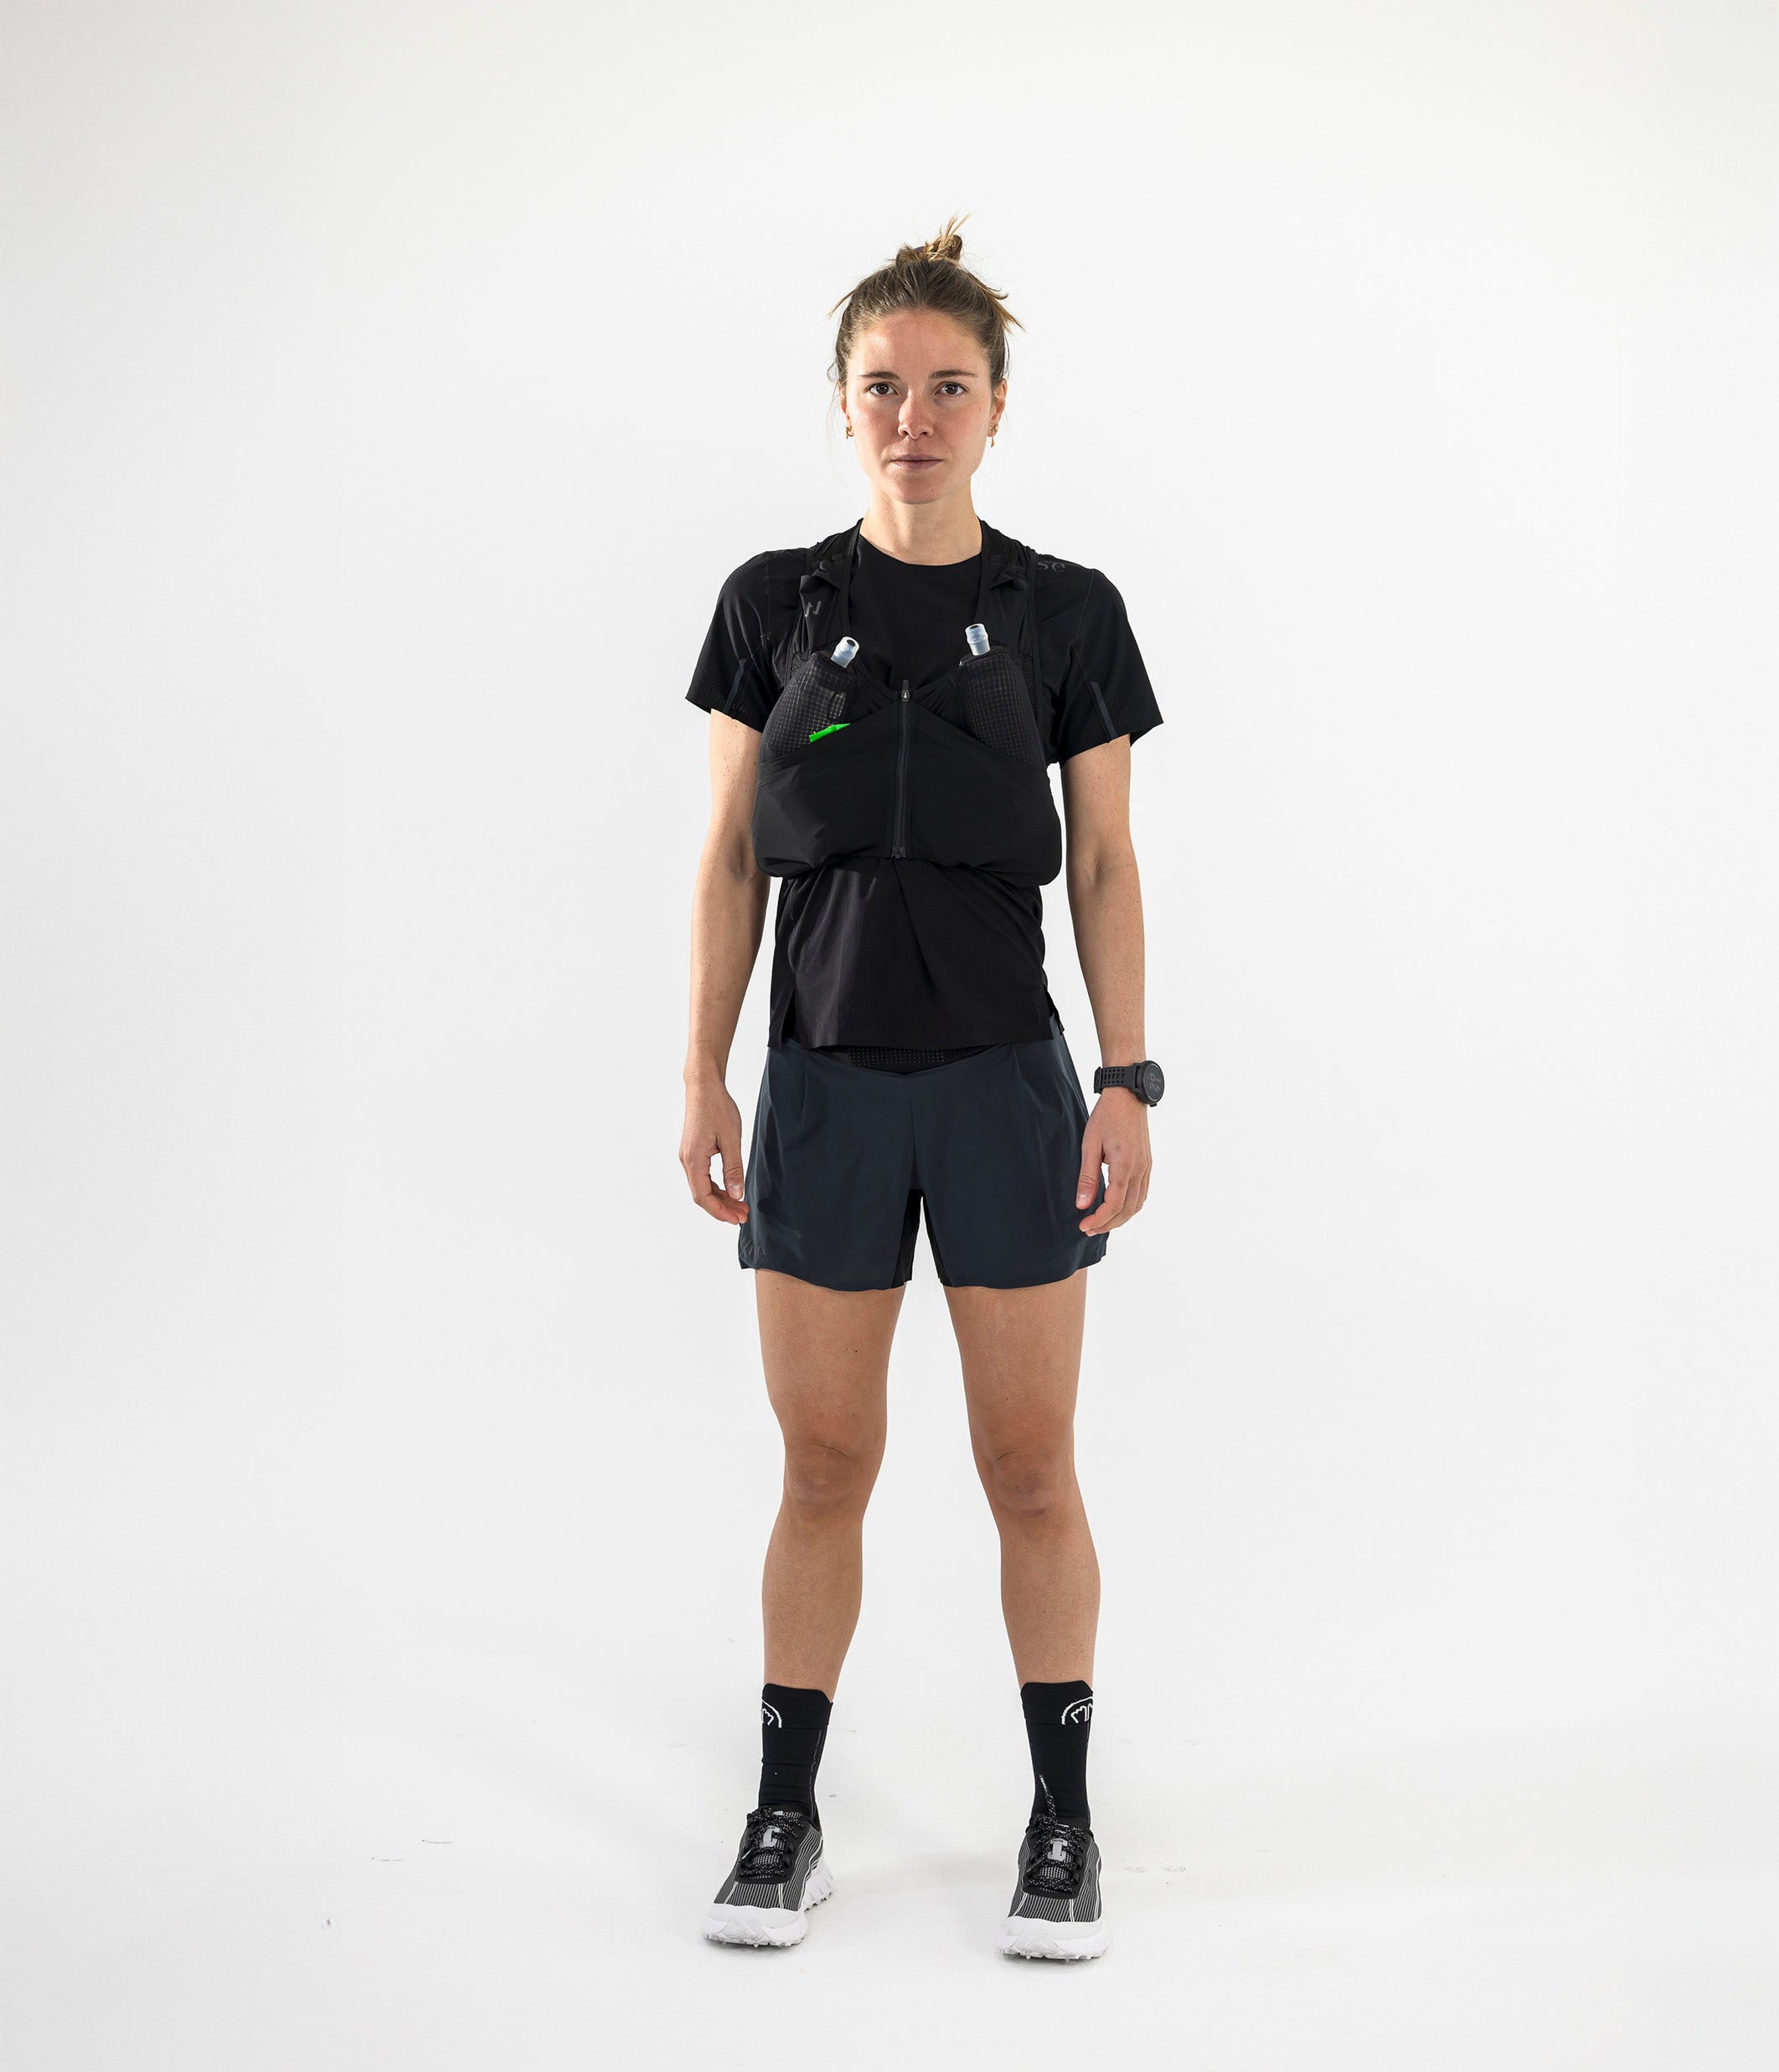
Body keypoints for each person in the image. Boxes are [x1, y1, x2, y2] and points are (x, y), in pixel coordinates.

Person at [678, 219, 1165, 1961]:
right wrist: (704, 1073)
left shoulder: (1066, 613)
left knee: (1030, 1467)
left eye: (950, 387)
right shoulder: (771, 605)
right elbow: (732, 857)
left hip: (1003, 1091)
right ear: (842, 403)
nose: (915, 417)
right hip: (821, 1085)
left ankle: (1063, 1818)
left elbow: (1102, 863)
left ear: (998, 407)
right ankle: (784, 1814)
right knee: (823, 1462)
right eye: (884, 386)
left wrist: (1125, 1077)